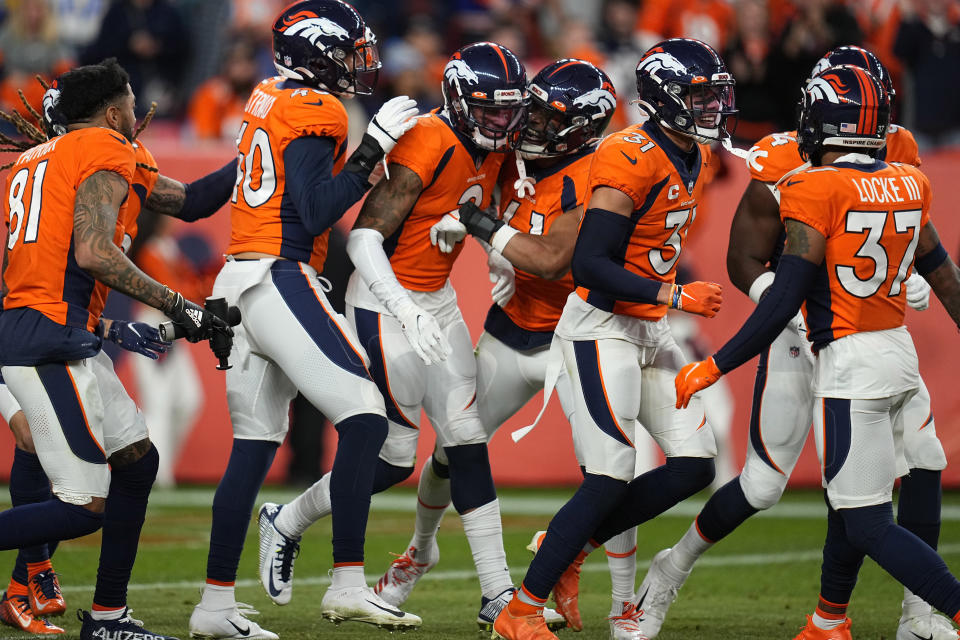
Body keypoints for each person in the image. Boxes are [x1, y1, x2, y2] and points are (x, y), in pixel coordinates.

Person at [633, 46, 955, 640]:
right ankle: (669, 570)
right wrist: (795, 310)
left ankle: (907, 612)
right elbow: (743, 259)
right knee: (762, 484)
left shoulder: (899, 156)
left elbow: (922, 250)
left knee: (915, 464)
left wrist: (898, 274)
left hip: (865, 339)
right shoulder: (783, 160)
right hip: (793, 333)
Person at [255, 41, 533, 631]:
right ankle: (287, 519)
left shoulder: (499, 149)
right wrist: (404, 310)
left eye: (508, 112)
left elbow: (488, 211)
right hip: (385, 303)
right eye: (489, 111)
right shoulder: (431, 138)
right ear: (460, 101)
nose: (501, 124)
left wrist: (487, 242)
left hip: (440, 302)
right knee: (396, 460)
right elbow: (361, 239)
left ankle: (498, 593)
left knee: (466, 436)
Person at [188, 1, 423, 637]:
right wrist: (371, 149)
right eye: (347, 52)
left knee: (252, 451)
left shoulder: (266, 94)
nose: (357, 64)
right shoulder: (317, 108)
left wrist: (178, 198)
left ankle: (213, 606)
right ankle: (348, 582)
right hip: (279, 274)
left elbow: (234, 185)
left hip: (239, 279)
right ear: (317, 51)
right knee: (368, 416)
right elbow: (316, 211)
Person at [491, 37, 734, 640]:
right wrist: (674, 296)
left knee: (695, 464)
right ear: (665, 99)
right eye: (699, 97)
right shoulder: (630, 152)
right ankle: (519, 610)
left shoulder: (694, 155)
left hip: (646, 327)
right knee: (608, 475)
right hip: (601, 327)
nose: (711, 109)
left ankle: (574, 546)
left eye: (712, 97)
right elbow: (591, 263)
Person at [0, 58, 230, 640]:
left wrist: (259, 152)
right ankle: (37, 586)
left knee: (138, 464)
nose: (139, 112)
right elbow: (95, 253)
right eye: (131, 101)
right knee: (83, 505)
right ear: (110, 112)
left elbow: (193, 200)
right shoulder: (104, 146)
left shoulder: (47, 156)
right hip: (47, 339)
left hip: (54, 330)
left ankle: (107, 618)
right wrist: (181, 306)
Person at [425, 57, 621, 635]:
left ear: (584, 128)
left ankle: (621, 597)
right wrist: (490, 243)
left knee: (609, 474)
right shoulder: (510, 154)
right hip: (511, 331)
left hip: (575, 339)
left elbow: (550, 257)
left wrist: (486, 230)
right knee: (455, 444)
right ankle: (417, 550)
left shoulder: (596, 176)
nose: (530, 122)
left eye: (547, 116)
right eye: (530, 108)